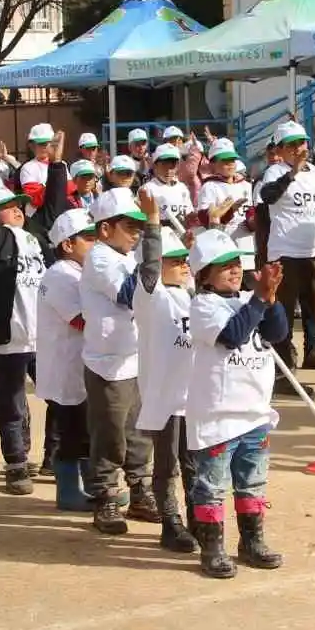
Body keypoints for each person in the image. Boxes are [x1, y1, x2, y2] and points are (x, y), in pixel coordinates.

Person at [0, 135, 67, 496]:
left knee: (58, 394)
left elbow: (53, 212)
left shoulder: (33, 238)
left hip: (42, 335)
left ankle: (55, 456)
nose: (19, 208)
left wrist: (56, 167)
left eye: (20, 204)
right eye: (10, 205)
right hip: (8, 335)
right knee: (10, 403)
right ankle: (16, 465)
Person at [185, 231, 288, 579]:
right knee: (212, 486)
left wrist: (271, 298)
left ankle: (252, 541)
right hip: (218, 416)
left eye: (236, 264)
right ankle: (212, 548)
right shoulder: (203, 305)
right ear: (203, 275)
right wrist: (258, 301)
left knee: (252, 483)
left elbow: (277, 334)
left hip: (255, 413)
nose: (233, 271)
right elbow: (232, 336)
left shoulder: (249, 297)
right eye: (222, 266)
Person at [81, 186, 156, 534]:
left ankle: (140, 490)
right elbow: (131, 296)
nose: (137, 232)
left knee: (139, 433)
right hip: (107, 363)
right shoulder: (99, 258)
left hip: (135, 358)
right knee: (110, 434)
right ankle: (105, 496)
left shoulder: (126, 257)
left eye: (140, 226)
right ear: (105, 228)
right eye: (129, 225)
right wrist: (154, 243)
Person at [258, 120, 315, 382]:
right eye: (292, 144)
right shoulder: (274, 172)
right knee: (282, 314)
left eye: (302, 142)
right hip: (284, 254)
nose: (299, 148)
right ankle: (283, 374)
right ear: (280, 149)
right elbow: (268, 196)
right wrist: (292, 173)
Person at [134, 190, 199, 554]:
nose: (183, 264)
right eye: (174, 260)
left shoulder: (189, 296)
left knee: (193, 462)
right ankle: (170, 522)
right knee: (167, 464)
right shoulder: (150, 296)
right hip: (165, 399)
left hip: (193, 397)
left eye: (184, 259)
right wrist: (153, 223)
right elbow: (148, 264)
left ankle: (196, 517)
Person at [37, 207, 98, 509]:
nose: (96, 243)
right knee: (73, 433)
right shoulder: (61, 274)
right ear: (67, 245)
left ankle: (91, 488)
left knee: (84, 431)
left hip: (79, 366)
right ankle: (70, 492)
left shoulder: (79, 272)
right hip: (67, 369)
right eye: (88, 238)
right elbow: (80, 320)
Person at [198, 138, 257, 280]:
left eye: (232, 159)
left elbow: (253, 214)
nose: (230, 164)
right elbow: (205, 220)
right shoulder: (210, 187)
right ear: (212, 163)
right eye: (224, 160)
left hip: (248, 247)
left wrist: (253, 221)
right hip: (225, 249)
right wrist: (230, 211)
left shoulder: (247, 185)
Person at [145, 143, 195, 232]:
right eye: (164, 164)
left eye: (172, 165)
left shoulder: (182, 187)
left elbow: (188, 214)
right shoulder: (147, 189)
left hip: (182, 237)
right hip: (161, 236)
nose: (168, 170)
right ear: (155, 165)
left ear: (178, 166)